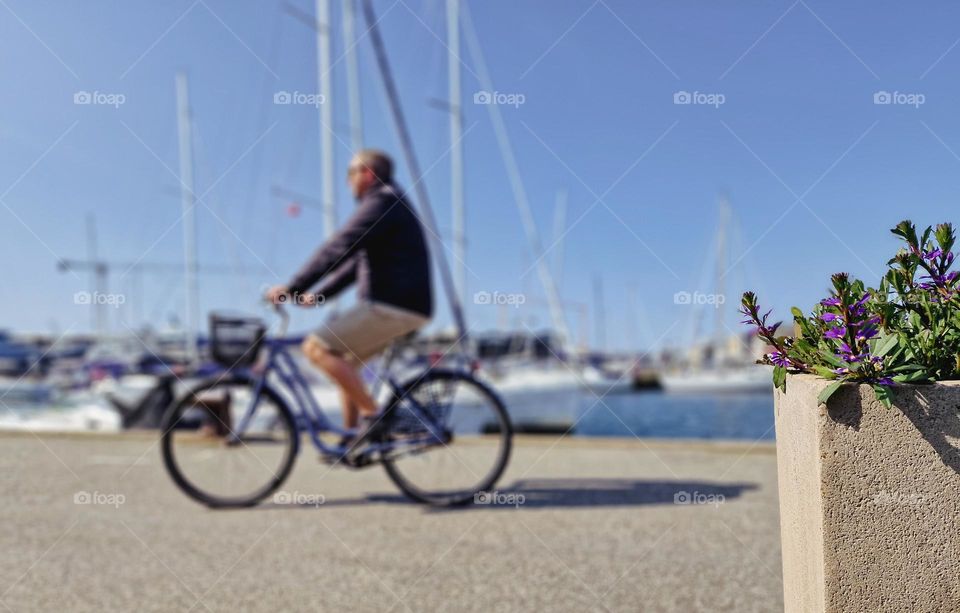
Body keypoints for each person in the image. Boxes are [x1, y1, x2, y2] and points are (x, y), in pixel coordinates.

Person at [266, 149, 433, 450]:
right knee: (345, 363)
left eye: (350, 174)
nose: (347, 182)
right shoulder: (389, 203)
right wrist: (315, 297)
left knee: (315, 347)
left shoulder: (382, 201)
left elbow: (338, 247)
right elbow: (354, 266)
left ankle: (373, 415)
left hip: (392, 305)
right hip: (406, 307)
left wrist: (292, 287)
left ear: (366, 174)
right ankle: (352, 442)